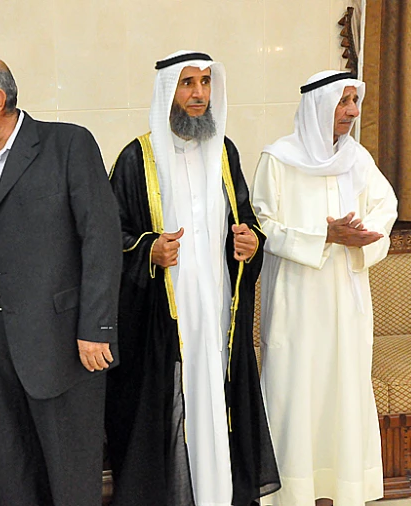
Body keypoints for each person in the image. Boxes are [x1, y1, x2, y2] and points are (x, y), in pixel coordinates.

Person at [0, 55, 122, 506]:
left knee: (70, 473)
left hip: (61, 338)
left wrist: (95, 328)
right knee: (8, 466)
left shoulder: (67, 145)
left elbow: (100, 240)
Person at [106, 50, 281, 506]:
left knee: (218, 405)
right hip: (165, 321)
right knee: (171, 409)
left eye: (205, 83)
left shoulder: (224, 152)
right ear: (168, 91)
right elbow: (111, 238)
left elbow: (245, 220)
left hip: (218, 312)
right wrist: (150, 251)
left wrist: (249, 243)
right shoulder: (136, 158)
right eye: (188, 84)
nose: (199, 94)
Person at [253, 71, 397, 506]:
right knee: (295, 389)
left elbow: (384, 208)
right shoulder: (278, 158)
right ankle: (290, 492)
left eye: (355, 101)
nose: (352, 111)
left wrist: (361, 235)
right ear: (319, 106)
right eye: (343, 102)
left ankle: (339, 490)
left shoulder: (358, 158)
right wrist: (323, 235)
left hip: (346, 296)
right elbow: (264, 224)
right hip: (296, 297)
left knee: (343, 389)